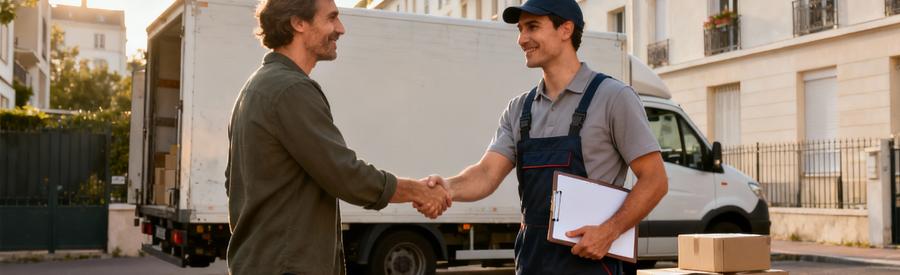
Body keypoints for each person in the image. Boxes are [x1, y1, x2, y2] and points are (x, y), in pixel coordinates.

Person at [425, 0, 668, 274]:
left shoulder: (614, 97)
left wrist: (609, 231)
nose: (521, 39)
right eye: (520, 29)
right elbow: (486, 173)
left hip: (592, 264)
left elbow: (655, 180)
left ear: (566, 29)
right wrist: (448, 187)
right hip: (533, 262)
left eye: (532, 27)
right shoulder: (519, 109)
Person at [224, 0, 450, 274]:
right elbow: (345, 175)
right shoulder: (290, 89)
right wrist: (417, 190)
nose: (341, 28)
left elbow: (233, 184)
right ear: (298, 23)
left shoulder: (255, 88)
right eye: (331, 18)